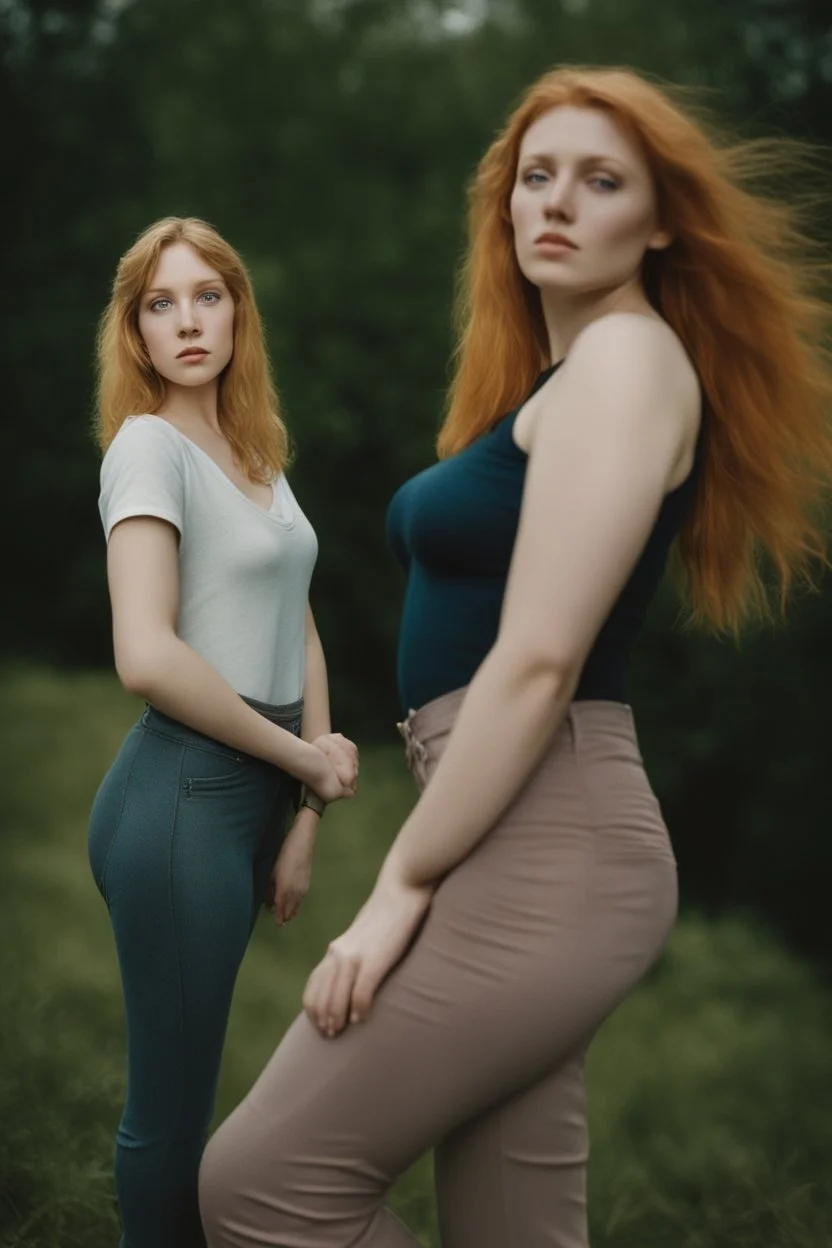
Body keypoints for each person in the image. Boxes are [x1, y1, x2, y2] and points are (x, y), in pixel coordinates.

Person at [198, 66, 832, 1248]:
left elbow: (538, 662)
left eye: (601, 181)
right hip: (513, 825)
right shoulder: (562, 381)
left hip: (553, 841)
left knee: (260, 1187)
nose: (557, 202)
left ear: (661, 221)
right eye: (536, 177)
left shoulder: (629, 364)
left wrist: (397, 890)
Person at [87, 216, 359, 1248]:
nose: (188, 320)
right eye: (162, 303)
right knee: (170, 1120)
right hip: (180, 805)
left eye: (208, 295)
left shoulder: (251, 452)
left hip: (249, 803)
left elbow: (299, 610)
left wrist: (302, 812)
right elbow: (145, 657)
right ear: (138, 334)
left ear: (239, 312)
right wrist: (301, 762)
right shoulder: (148, 448)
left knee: (193, 1100)